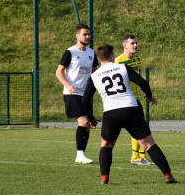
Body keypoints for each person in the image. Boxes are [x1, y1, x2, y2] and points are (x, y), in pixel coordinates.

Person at [82, 45, 177, 184]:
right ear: (111, 56)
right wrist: (149, 96)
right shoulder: (122, 67)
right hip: (130, 109)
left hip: (110, 112)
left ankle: (104, 179)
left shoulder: (94, 76)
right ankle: (168, 176)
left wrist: (91, 119)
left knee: (106, 145)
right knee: (149, 144)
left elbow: (85, 101)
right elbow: (142, 82)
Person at [55, 23, 99, 164]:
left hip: (85, 94)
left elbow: (94, 73)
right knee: (83, 121)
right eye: (84, 34)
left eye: (89, 34)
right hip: (72, 93)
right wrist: (68, 86)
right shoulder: (70, 52)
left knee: (88, 124)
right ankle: (79, 155)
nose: (87, 36)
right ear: (77, 35)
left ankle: (81, 154)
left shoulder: (92, 53)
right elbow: (58, 72)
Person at [114, 35, 153, 166]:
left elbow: (139, 78)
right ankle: (136, 157)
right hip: (125, 100)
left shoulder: (136, 59)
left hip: (134, 98)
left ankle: (141, 156)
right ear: (125, 46)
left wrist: (146, 94)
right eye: (132, 43)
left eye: (136, 43)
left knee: (141, 126)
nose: (135, 45)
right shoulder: (118, 61)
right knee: (137, 127)